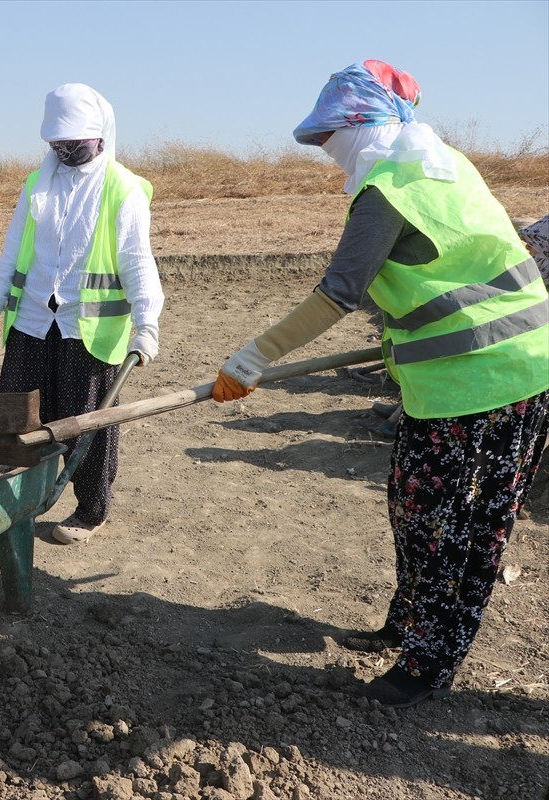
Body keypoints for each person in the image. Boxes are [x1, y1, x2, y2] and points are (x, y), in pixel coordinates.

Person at [211, 61, 549, 708]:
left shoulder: (390, 188)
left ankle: (428, 662)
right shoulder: (441, 162)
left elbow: (339, 292)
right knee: (413, 504)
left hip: (496, 379)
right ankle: (408, 622)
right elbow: (438, 276)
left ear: (362, 125)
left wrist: (254, 357)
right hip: (466, 376)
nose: (327, 151)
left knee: (461, 528)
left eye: (330, 136)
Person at [0, 83, 163, 545]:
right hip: (32, 324)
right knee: (16, 423)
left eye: (73, 143)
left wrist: (147, 326)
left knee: (88, 425)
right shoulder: (37, 184)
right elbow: (10, 254)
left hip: (90, 331)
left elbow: (139, 263)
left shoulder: (123, 189)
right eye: (56, 144)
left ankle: (90, 510)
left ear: (99, 136)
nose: (64, 151)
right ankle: (5, 506)